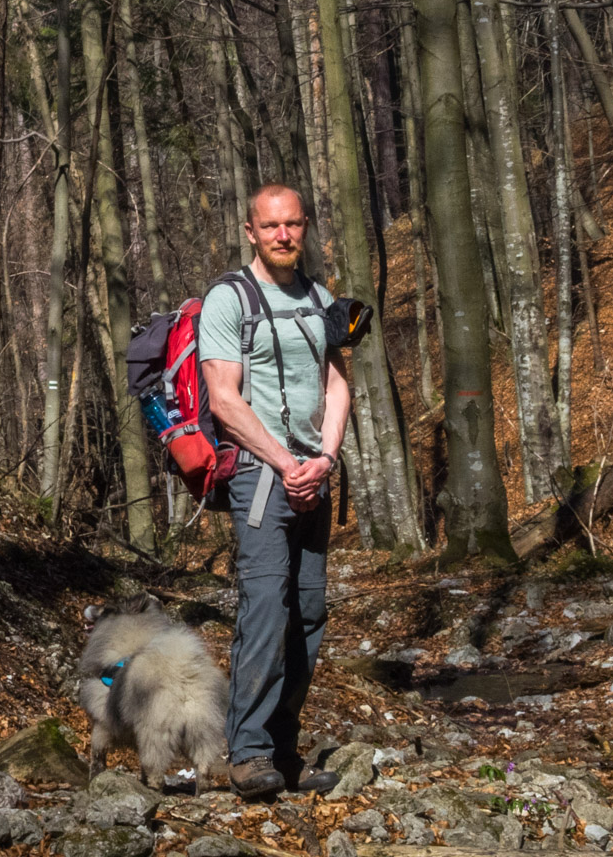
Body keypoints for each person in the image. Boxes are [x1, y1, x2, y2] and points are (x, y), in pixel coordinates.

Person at [197, 183, 348, 798]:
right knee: (266, 608)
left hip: (315, 473)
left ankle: (283, 752)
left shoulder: (322, 298)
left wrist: (326, 459)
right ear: (251, 231)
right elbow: (224, 400)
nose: (283, 235)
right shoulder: (229, 300)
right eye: (271, 226)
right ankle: (248, 753)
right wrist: (288, 464)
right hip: (263, 477)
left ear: (305, 227)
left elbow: (339, 385)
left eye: (293, 225)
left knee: (309, 610)